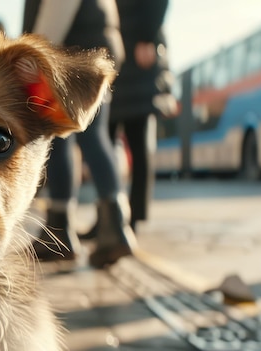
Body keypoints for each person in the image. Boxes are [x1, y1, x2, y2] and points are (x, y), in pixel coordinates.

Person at [24, 0, 137, 269]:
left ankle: (102, 230)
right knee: (81, 140)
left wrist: (30, 57)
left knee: (83, 139)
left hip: (71, 58)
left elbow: (58, 9)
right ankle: (73, 230)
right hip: (90, 51)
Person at [107, 0, 174, 232]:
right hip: (115, 57)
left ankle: (133, 219)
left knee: (138, 145)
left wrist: (147, 37)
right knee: (106, 144)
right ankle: (109, 217)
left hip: (138, 57)